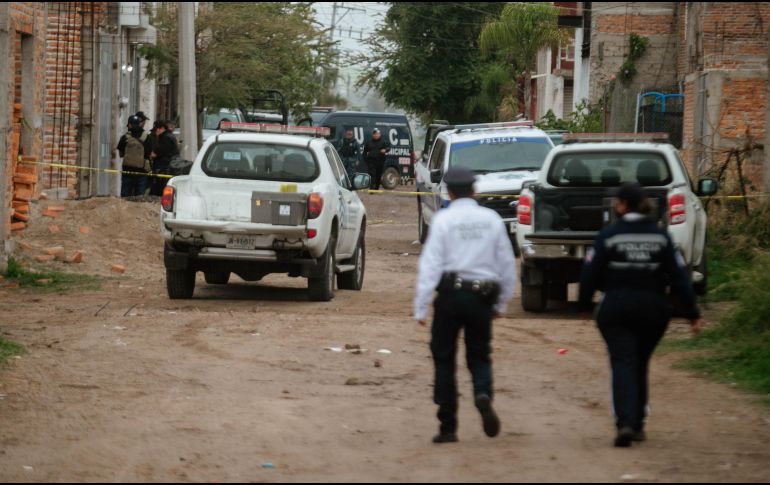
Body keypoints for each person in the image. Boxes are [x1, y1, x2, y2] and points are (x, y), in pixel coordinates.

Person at [578, 182, 702, 448]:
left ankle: (625, 422)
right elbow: (680, 278)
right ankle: (638, 424)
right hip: (653, 310)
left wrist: (585, 304)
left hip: (616, 308)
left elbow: (589, 274)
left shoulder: (608, 236)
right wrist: (692, 312)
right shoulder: (661, 237)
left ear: (622, 205)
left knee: (623, 361)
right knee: (640, 361)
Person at [414, 167, 516, 444]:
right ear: (475, 191)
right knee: (480, 355)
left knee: (444, 358)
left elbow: (431, 264)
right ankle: (482, 392)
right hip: (481, 298)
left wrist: (421, 306)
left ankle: (448, 427)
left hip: (450, 296)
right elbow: (506, 263)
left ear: (448, 192)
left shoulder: (444, 220)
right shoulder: (492, 219)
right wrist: (502, 303)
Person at [116, 115, 152, 197]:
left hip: (127, 171)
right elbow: (150, 154)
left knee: (125, 197)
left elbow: (121, 154)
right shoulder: (147, 137)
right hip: (142, 172)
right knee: (140, 197)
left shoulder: (125, 137)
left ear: (130, 125)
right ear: (139, 124)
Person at [149, 120, 180, 196]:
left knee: (159, 192)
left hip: (164, 168)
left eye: (157, 130)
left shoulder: (165, 138)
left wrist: (153, 153)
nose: (156, 132)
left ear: (162, 128)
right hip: (166, 168)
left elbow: (157, 153)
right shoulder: (169, 136)